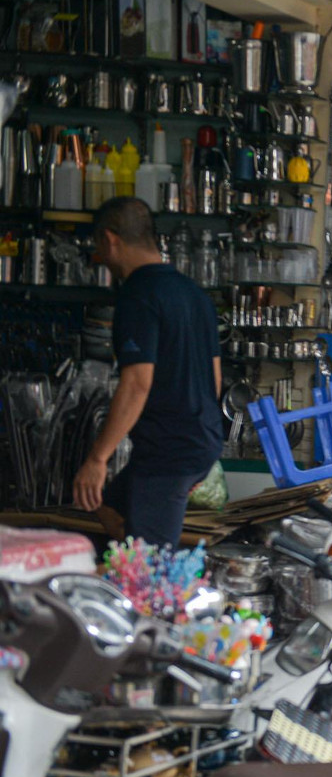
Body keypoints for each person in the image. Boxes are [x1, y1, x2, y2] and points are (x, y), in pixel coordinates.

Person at [72, 198, 222, 549]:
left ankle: (150, 595)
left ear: (110, 240)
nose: (100, 255)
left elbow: (137, 383)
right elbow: (214, 379)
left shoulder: (138, 295)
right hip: (198, 441)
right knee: (105, 505)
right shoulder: (194, 294)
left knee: (150, 565)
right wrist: (200, 455)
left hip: (169, 452)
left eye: (98, 245)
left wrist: (98, 458)